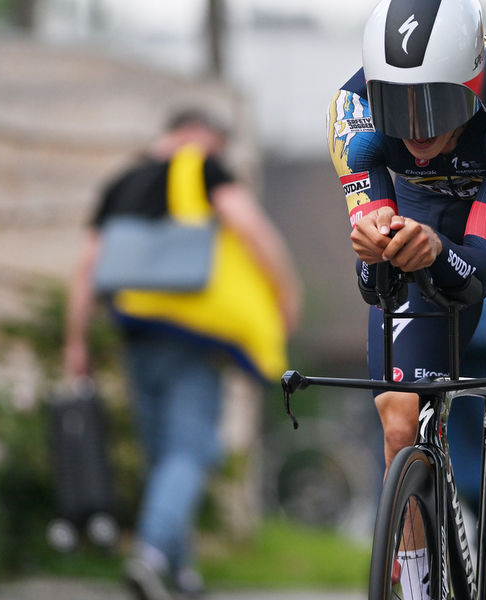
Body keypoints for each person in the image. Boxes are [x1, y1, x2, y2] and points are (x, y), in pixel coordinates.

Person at [326, 0, 486, 596]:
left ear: (470, 85)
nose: (417, 133)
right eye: (400, 110)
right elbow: (377, 289)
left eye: (435, 107)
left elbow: (474, 275)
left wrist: (433, 251)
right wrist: (376, 251)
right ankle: (419, 584)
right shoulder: (352, 115)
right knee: (398, 416)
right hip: (430, 204)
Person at [64, 108, 302, 599]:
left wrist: (77, 341)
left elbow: (88, 265)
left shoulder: (120, 184)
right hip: (192, 338)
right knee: (188, 451)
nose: (216, 155)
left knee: (163, 457)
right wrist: (286, 294)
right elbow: (250, 226)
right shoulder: (202, 168)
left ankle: (179, 571)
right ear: (196, 136)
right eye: (215, 145)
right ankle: (151, 555)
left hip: (136, 333)